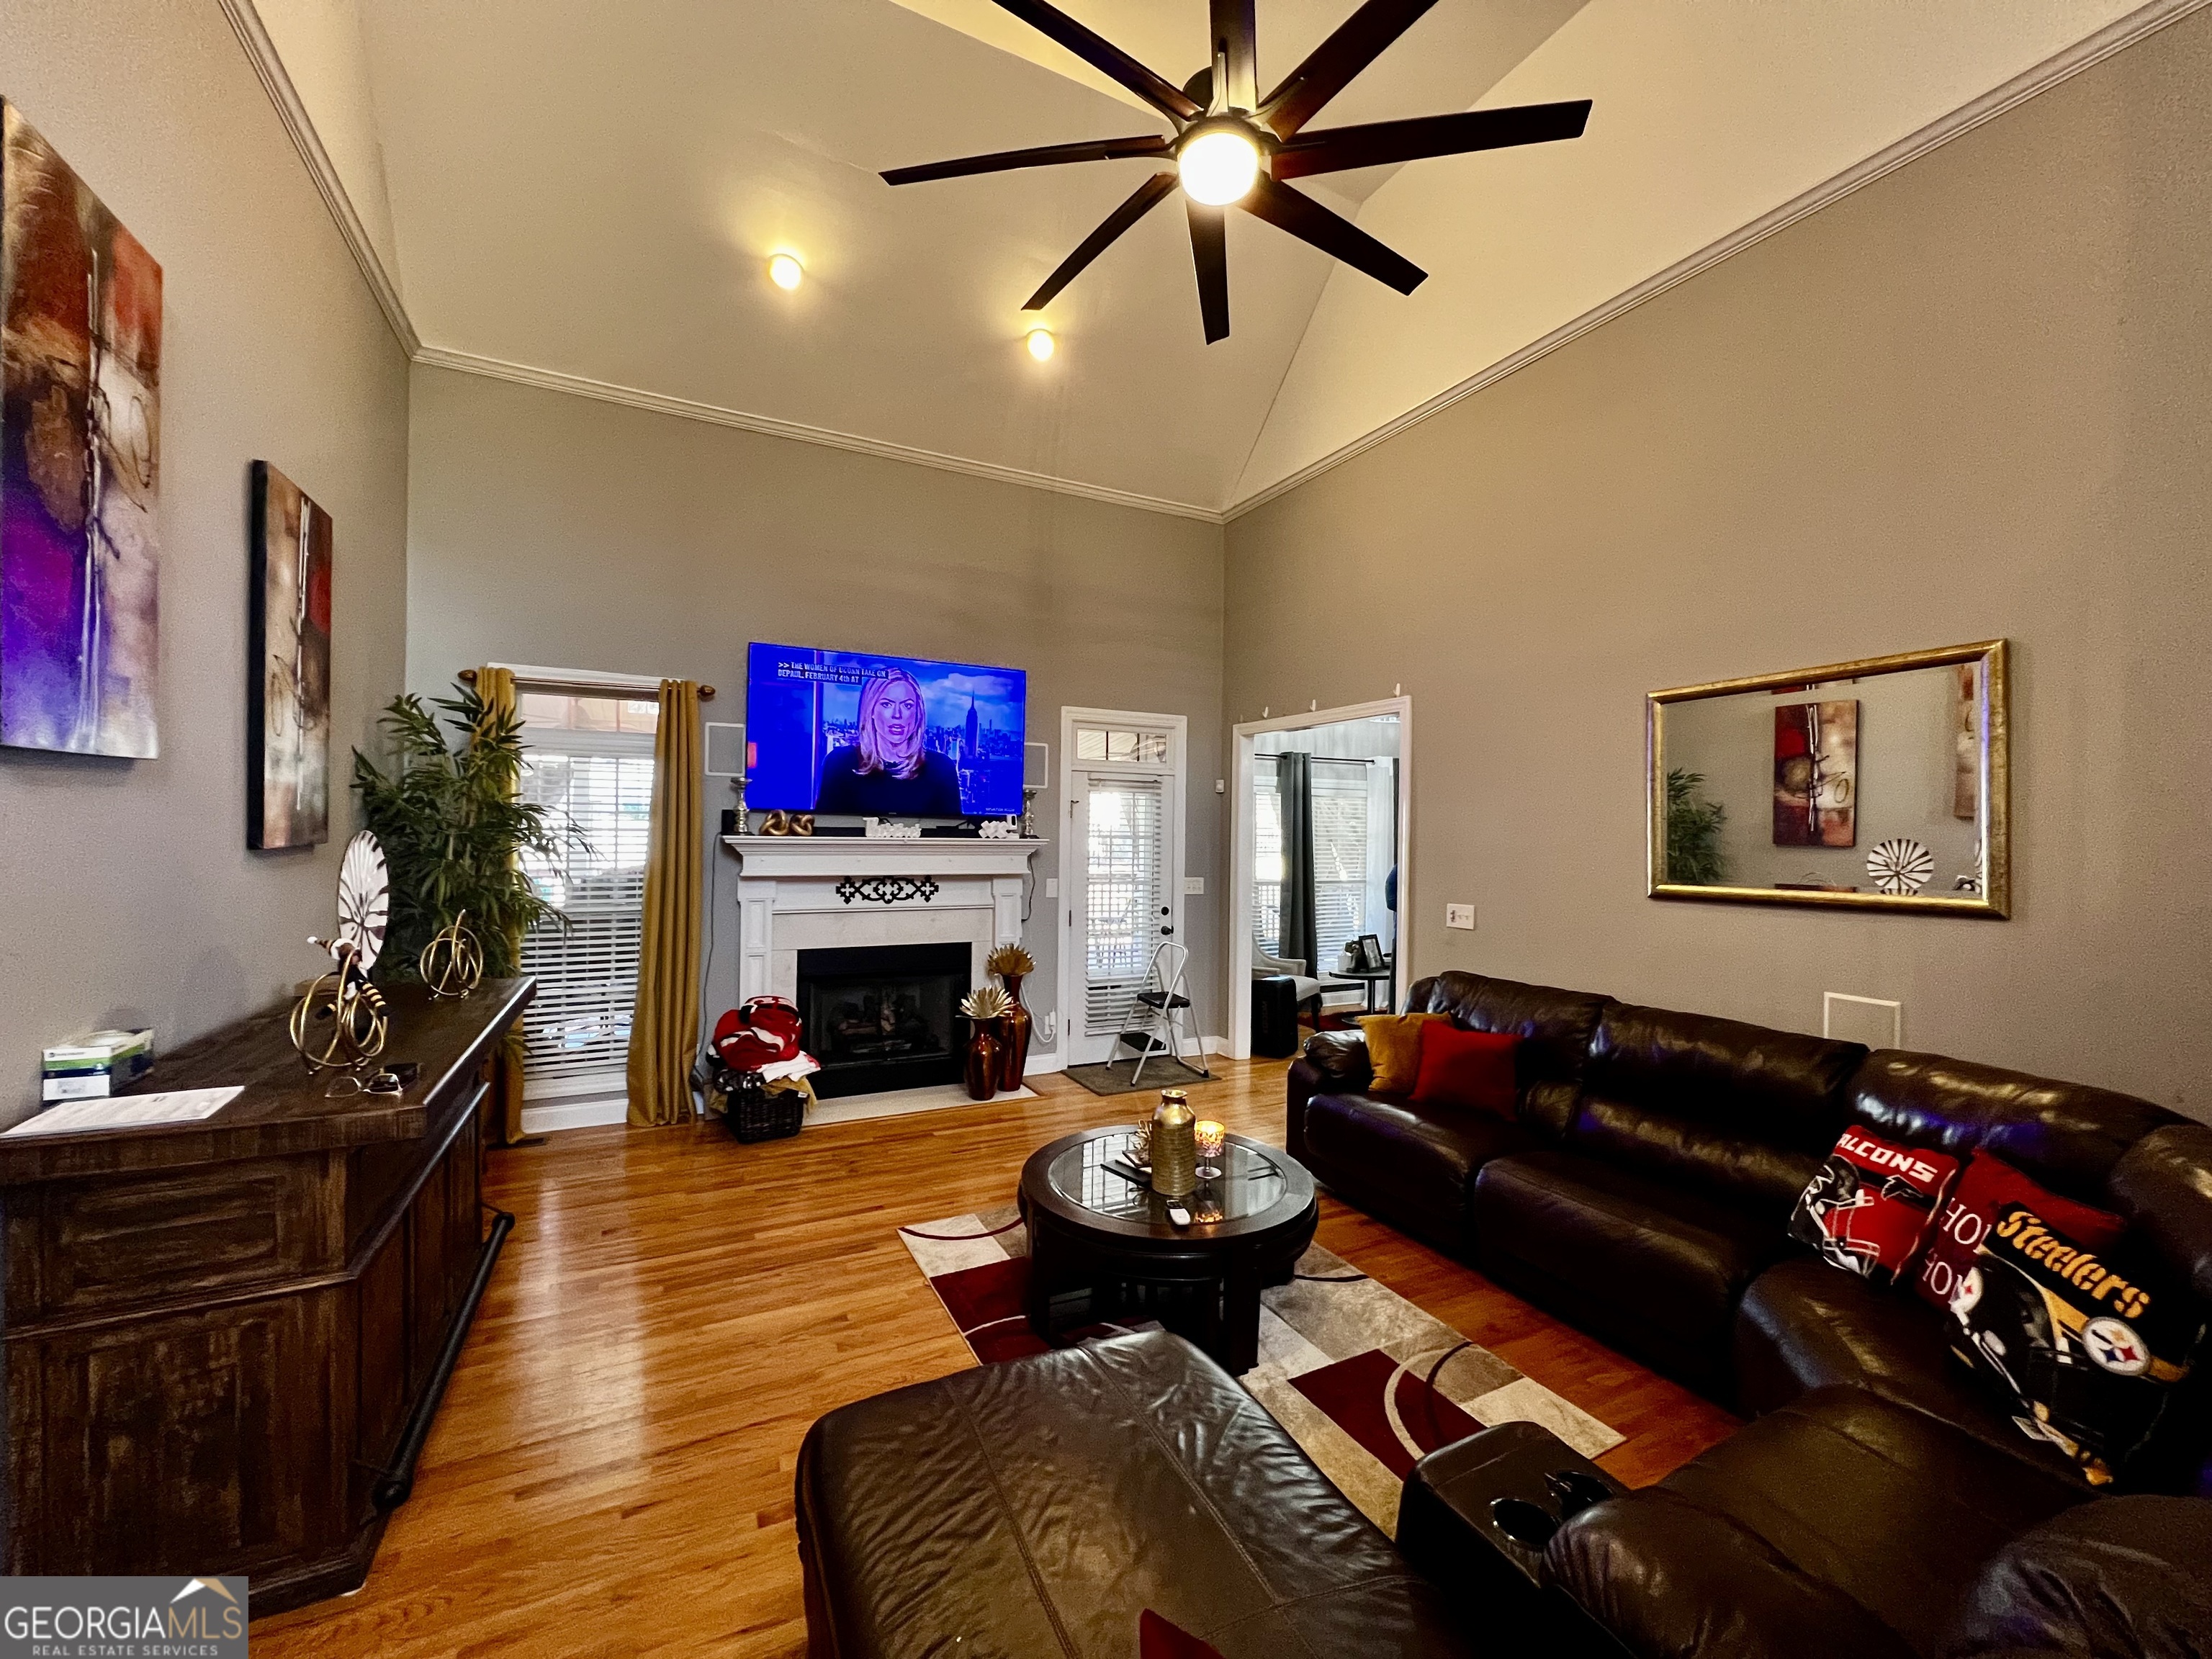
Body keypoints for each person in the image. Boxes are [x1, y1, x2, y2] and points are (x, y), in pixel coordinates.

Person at [814, 667, 965, 817]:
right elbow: (824, 829)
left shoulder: (942, 768)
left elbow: (953, 832)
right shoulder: (840, 763)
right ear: (871, 710)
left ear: (917, 713)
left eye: (907, 706)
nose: (897, 715)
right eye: (887, 704)